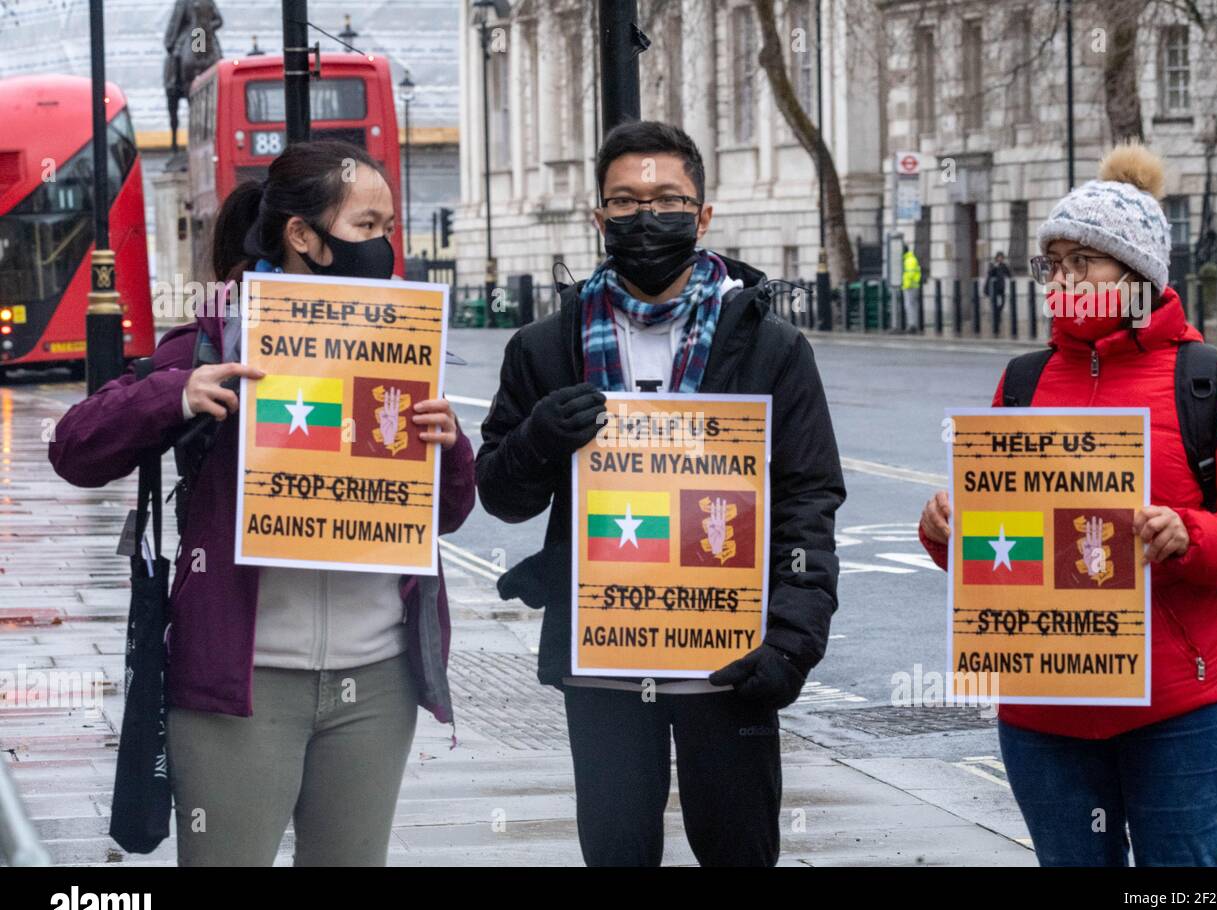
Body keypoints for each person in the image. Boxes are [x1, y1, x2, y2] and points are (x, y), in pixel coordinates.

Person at [49, 140, 477, 866]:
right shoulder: (213, 343)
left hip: (376, 679)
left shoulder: (402, 347)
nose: (387, 247)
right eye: (367, 227)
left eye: (389, 228)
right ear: (303, 236)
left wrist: (449, 445)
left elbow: (448, 515)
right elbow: (74, 449)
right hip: (238, 685)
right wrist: (174, 395)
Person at [476, 121, 845, 867]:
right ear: (598, 216)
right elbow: (500, 495)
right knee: (616, 853)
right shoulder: (546, 346)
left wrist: (791, 644)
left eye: (668, 200)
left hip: (728, 661)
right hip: (603, 663)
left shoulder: (772, 347)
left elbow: (807, 501)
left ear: (703, 215)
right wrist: (537, 441)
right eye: (626, 201)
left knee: (739, 852)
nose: (647, 219)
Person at [917, 143, 1217, 866]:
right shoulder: (1023, 382)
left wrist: (1190, 534)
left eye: (1081, 262)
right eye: (1051, 264)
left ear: (1137, 272)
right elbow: (1000, 541)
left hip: (1181, 707)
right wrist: (944, 531)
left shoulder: (1210, 379)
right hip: (1043, 711)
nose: (1062, 279)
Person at [984, 251, 1012, 327]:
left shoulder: (1003, 265)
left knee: (1002, 303)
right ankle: (995, 318)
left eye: (1001, 257)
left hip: (1001, 287)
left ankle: (997, 315)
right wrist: (995, 267)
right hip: (993, 288)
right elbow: (989, 273)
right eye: (999, 257)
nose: (1000, 259)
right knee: (994, 304)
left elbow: (1009, 274)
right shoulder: (992, 264)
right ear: (996, 258)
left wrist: (1007, 267)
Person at [901, 243, 922, 332]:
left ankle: (912, 325)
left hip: (910, 286)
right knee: (911, 306)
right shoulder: (909, 259)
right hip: (911, 286)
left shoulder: (909, 260)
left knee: (910, 306)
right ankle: (912, 324)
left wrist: (907, 284)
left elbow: (910, 274)